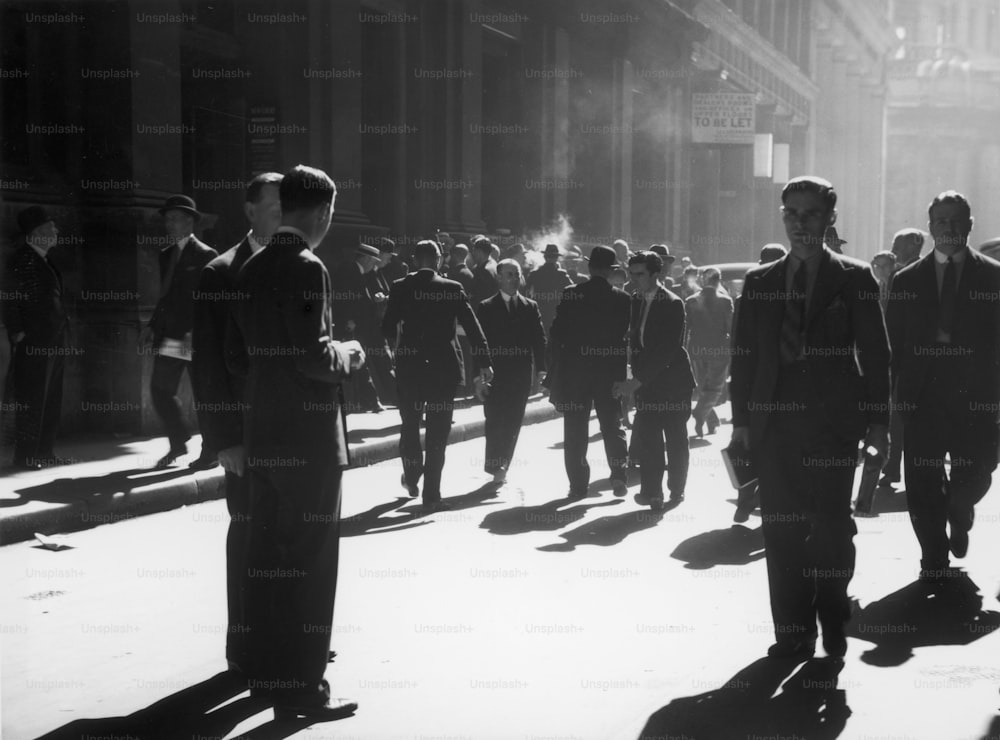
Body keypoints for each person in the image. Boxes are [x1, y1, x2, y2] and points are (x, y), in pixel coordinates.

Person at [730, 176, 890, 659]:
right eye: (791, 214)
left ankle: (833, 605)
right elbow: (745, 356)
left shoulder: (855, 277)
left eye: (811, 214)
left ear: (829, 219)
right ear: (782, 218)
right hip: (774, 425)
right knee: (780, 528)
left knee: (831, 527)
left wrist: (879, 422)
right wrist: (740, 423)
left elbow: (877, 354)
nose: (800, 224)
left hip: (834, 424)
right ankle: (793, 629)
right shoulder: (759, 282)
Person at [226, 164, 364, 721]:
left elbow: (239, 356)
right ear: (324, 212)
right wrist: (350, 353)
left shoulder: (253, 268)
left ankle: (266, 674)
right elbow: (315, 354)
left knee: (266, 560)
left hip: (263, 435)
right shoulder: (308, 267)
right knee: (309, 566)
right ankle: (304, 687)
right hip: (308, 442)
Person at [191, 171, 282, 673]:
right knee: (249, 537)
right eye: (273, 208)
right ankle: (245, 649)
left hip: (295, 434)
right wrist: (223, 439)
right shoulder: (219, 273)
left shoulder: (302, 268)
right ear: (249, 212)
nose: (283, 217)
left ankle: (291, 638)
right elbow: (206, 367)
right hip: (246, 434)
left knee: (293, 539)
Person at [885, 190, 1000, 583]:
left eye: (957, 220)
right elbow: (893, 345)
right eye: (941, 221)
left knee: (980, 468)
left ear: (970, 225)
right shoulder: (906, 281)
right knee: (921, 481)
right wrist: (893, 397)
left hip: (978, 396)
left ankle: (961, 508)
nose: (949, 228)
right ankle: (933, 554)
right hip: (923, 394)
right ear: (932, 227)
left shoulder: (994, 277)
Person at [382, 239, 493, 509]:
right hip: (443, 369)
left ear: (415, 259)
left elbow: (386, 326)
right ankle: (432, 494)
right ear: (439, 260)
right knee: (438, 432)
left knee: (409, 425)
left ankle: (411, 475)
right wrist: (485, 363)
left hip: (410, 368)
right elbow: (473, 327)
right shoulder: (453, 288)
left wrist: (395, 350)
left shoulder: (400, 287)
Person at [139, 195, 218, 469]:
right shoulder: (165, 255)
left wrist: (197, 333)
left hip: (196, 338)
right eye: (167, 219)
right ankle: (179, 440)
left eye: (175, 219)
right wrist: (151, 326)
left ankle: (210, 453)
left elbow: (210, 303)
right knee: (160, 389)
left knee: (204, 396)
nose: (169, 224)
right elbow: (166, 296)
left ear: (189, 222)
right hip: (173, 338)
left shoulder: (207, 255)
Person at [548, 245, 630, 498]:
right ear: (610, 271)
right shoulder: (622, 299)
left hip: (576, 373)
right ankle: (618, 476)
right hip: (609, 372)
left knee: (575, 429)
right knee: (612, 424)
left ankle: (578, 484)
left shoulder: (572, 293)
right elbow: (625, 339)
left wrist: (554, 371)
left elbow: (556, 333)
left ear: (590, 267)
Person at [614, 251, 694, 509]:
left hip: (673, 384)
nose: (633, 279)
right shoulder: (634, 301)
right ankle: (652, 492)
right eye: (631, 273)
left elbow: (667, 350)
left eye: (639, 274)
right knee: (648, 438)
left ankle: (676, 489)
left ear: (655, 275)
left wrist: (635, 382)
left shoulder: (672, 303)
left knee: (675, 438)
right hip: (647, 385)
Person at [2, 206, 69, 469]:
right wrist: (17, 331)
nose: (56, 231)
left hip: (53, 342)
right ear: (38, 233)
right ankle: (27, 456)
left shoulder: (44, 259)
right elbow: (10, 298)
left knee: (50, 398)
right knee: (32, 400)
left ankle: (44, 452)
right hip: (34, 344)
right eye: (52, 227)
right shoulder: (23, 260)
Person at [474, 259, 546, 484]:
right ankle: (494, 462)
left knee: (514, 420)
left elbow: (539, 340)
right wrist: (479, 377)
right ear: (499, 277)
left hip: (521, 375)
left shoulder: (530, 306)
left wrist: (542, 370)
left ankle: (503, 464)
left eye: (517, 274)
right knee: (495, 418)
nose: (514, 279)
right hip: (494, 374)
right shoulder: (486, 307)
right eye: (509, 275)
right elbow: (479, 343)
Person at [332, 242, 388, 413]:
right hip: (351, 325)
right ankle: (368, 401)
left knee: (359, 362)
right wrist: (349, 319)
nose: (374, 264)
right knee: (358, 361)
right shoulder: (350, 271)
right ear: (363, 258)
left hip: (357, 324)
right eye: (372, 260)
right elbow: (345, 297)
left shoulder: (360, 272)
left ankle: (366, 400)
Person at [686, 266, 734, 437]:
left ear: (701, 280)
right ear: (718, 280)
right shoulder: (725, 301)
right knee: (714, 389)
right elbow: (730, 328)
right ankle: (700, 414)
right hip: (719, 350)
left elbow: (687, 329)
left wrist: (685, 350)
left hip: (696, 350)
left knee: (703, 387)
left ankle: (710, 420)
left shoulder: (691, 301)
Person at [526, 243, 573, 336]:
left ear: (544, 257)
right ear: (557, 258)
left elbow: (526, 294)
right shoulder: (562, 275)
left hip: (539, 312)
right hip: (556, 313)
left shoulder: (534, 274)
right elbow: (572, 291)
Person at [469, 236, 499, 305]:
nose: (473, 253)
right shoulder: (494, 265)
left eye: (474, 250)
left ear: (479, 252)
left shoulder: (485, 272)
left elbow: (480, 299)